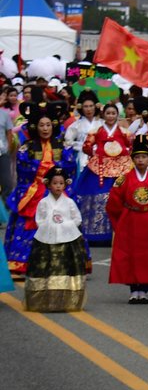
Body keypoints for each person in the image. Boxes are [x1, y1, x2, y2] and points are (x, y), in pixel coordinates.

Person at [5, 109, 79, 278]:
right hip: (35, 189)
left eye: (48, 125)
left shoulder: (63, 145)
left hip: (58, 189)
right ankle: (24, 261)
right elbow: (22, 169)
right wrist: (40, 170)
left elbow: (70, 166)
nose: (45, 129)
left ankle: (63, 262)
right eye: (41, 125)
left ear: (53, 126)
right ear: (35, 127)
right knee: (29, 220)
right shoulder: (27, 147)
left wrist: (55, 170)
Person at [106, 137, 148, 304]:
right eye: (137, 157)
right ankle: (133, 289)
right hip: (130, 220)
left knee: (147, 256)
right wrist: (122, 217)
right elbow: (114, 201)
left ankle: (144, 290)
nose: (140, 160)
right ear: (132, 159)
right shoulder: (124, 179)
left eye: (144, 157)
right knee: (131, 254)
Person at [25, 167, 89, 312]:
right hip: (46, 241)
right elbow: (39, 220)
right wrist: (51, 226)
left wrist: (65, 226)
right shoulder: (43, 203)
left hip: (68, 241)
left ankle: (66, 301)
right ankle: (44, 300)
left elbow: (77, 219)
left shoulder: (69, 202)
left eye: (61, 183)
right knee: (47, 269)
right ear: (48, 185)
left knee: (66, 269)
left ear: (65, 185)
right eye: (55, 183)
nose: (58, 186)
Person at [71, 102, 130, 246]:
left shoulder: (123, 131)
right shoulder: (96, 131)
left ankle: (119, 233)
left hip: (120, 166)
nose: (110, 116)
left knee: (120, 197)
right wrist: (95, 154)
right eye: (108, 113)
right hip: (100, 166)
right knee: (97, 198)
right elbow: (87, 146)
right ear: (103, 115)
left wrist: (124, 154)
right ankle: (96, 234)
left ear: (117, 115)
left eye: (113, 113)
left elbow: (130, 144)